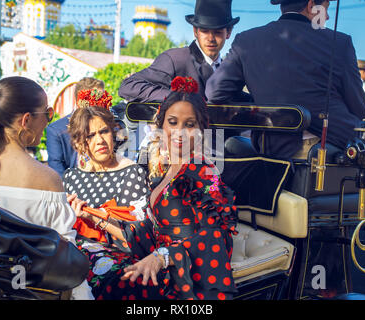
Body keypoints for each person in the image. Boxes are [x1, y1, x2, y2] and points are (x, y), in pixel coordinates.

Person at [206, 0, 365, 254]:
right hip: (325, 155)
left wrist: (264, 102)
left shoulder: (247, 40)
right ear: (311, 6)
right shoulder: (338, 42)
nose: (326, 16)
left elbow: (215, 92)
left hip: (271, 153)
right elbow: (360, 108)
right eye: (325, 7)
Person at [71, 77, 238, 300]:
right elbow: (149, 232)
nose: (179, 131)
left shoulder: (204, 172)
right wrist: (93, 217)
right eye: (173, 122)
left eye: (189, 124)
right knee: (89, 260)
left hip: (184, 272)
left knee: (112, 282)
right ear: (161, 126)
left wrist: (162, 257)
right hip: (159, 260)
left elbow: (219, 236)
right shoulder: (167, 170)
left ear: (201, 130)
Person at [0, 76, 93, 300]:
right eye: (47, 113)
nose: (48, 122)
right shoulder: (47, 181)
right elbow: (63, 264)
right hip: (23, 291)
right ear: (26, 120)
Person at [63, 88, 149, 242]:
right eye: (90, 135)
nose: (100, 140)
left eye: (104, 131)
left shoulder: (131, 173)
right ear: (79, 142)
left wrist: (92, 216)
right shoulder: (71, 177)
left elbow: (134, 234)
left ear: (113, 132)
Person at [118, 0, 245, 103]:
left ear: (228, 32)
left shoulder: (227, 69)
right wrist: (180, 99)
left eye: (217, 32)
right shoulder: (175, 59)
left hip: (221, 135)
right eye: (204, 31)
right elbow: (128, 86)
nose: (210, 38)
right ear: (195, 31)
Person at [46, 77, 105, 177]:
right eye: (96, 99)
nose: (101, 103)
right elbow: (57, 170)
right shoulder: (56, 130)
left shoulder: (108, 124)